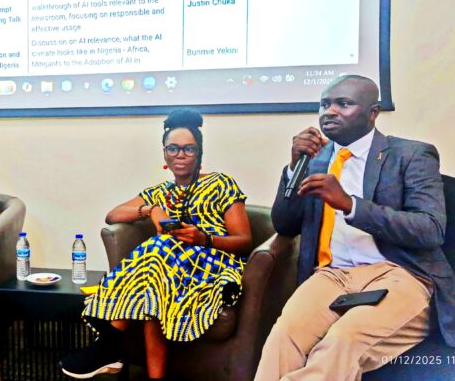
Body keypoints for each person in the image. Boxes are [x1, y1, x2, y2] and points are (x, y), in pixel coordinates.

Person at [254, 75, 455, 381]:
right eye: (324, 104)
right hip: (331, 274)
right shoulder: (316, 160)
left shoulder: (411, 155)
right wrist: (294, 168)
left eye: (343, 104)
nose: (330, 112)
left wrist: (351, 205)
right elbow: (285, 224)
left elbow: (429, 229)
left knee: (343, 341)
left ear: (373, 113)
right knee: (283, 338)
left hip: (399, 273)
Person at [60, 109, 252, 380]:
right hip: (170, 270)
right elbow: (112, 215)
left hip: (215, 265)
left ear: (199, 153)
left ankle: (109, 344)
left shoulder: (220, 183)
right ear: (164, 154)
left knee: (159, 248)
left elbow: (244, 241)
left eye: (188, 149)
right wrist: (151, 210)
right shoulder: (160, 193)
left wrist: (203, 238)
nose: (180, 155)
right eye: (173, 148)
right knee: (155, 283)